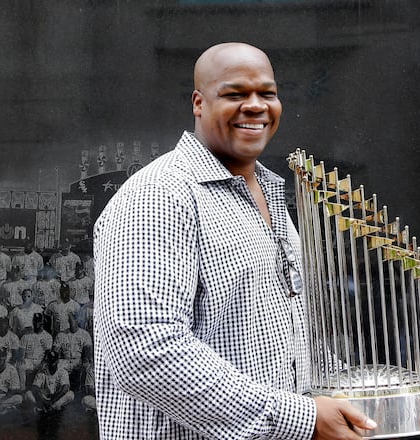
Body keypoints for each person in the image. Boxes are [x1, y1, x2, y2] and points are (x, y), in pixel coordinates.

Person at [93, 42, 376, 439]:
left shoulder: (268, 192)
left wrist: (343, 390)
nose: (256, 106)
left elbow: (283, 332)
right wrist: (304, 419)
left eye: (267, 93)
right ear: (198, 102)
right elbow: (145, 351)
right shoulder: (160, 196)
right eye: (235, 94)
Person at [53, 313, 92, 382]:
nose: (71, 324)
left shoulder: (84, 334)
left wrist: (85, 360)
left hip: (78, 360)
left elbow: (88, 349)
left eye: (72, 321)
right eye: (69, 322)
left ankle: (81, 389)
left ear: (77, 321)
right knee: (55, 366)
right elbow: (55, 350)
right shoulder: (61, 334)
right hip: (65, 360)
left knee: (88, 367)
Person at [18, 313, 53, 388]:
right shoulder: (26, 336)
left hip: (41, 360)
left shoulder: (48, 336)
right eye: (36, 321)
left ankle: (43, 390)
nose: (37, 324)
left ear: (42, 322)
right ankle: (22, 388)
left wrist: (43, 362)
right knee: (21, 366)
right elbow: (21, 354)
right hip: (29, 360)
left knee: (46, 369)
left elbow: (48, 353)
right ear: (33, 322)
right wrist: (22, 360)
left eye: (39, 322)